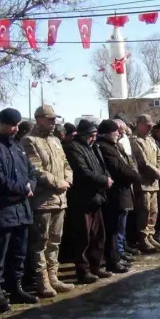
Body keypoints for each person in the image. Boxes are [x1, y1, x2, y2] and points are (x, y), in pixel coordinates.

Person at [0, 108, 39, 312]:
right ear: (1, 123)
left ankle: (16, 287)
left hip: (22, 209)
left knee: (19, 253)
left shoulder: (17, 145)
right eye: (12, 125)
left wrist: (30, 185)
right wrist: (22, 189)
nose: (16, 129)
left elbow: (31, 171)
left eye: (17, 125)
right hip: (3, 209)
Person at [21, 105, 75, 298]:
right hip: (43, 200)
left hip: (60, 199)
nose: (54, 123)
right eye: (50, 119)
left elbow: (66, 163)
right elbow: (35, 169)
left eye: (55, 120)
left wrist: (68, 178)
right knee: (40, 242)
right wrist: (56, 182)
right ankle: (41, 280)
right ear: (39, 119)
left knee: (55, 240)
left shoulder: (54, 140)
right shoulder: (29, 140)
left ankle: (53, 276)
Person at [61, 119, 113, 284]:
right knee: (83, 237)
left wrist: (106, 178)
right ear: (83, 135)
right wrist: (103, 181)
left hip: (96, 197)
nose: (94, 138)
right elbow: (82, 172)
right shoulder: (73, 148)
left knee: (98, 235)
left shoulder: (91, 148)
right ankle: (83, 271)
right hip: (82, 199)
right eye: (91, 135)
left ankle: (96, 266)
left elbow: (100, 167)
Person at [96, 119, 141, 273]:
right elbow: (119, 168)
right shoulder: (105, 147)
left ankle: (116, 258)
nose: (119, 133)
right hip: (115, 193)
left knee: (117, 229)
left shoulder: (113, 146)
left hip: (122, 192)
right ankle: (112, 260)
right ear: (109, 132)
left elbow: (127, 163)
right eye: (116, 131)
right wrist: (135, 176)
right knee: (113, 230)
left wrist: (133, 173)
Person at [130, 115, 160, 252]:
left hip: (154, 183)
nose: (150, 128)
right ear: (139, 124)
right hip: (143, 183)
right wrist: (156, 172)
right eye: (147, 125)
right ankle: (142, 239)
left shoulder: (150, 140)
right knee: (144, 211)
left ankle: (150, 236)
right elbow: (142, 162)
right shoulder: (134, 140)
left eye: (151, 126)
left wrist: (159, 170)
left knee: (153, 212)